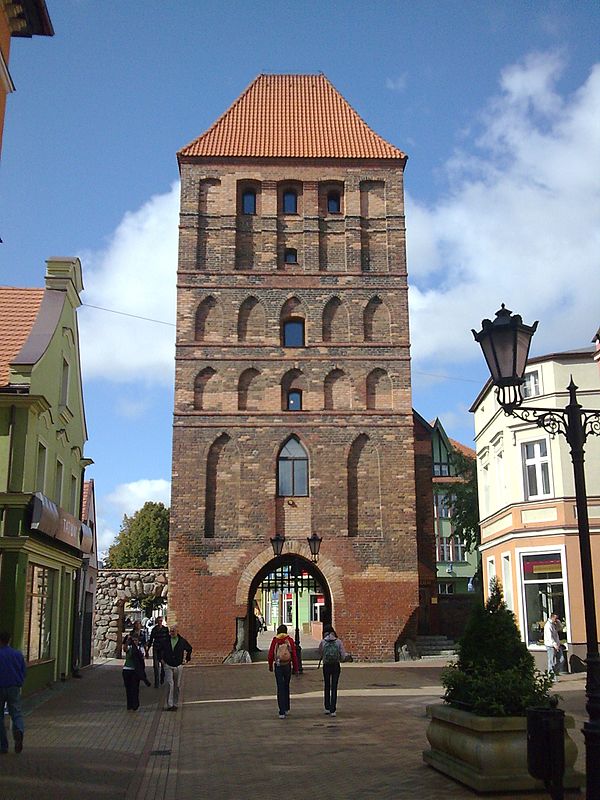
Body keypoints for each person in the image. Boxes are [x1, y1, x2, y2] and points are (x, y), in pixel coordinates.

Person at [0, 631, 26, 754]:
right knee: (16, 712)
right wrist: (19, 682)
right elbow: (23, 671)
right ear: (9, 640)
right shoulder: (17, 654)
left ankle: (3, 745)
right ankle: (19, 730)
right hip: (14, 687)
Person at [267, 624, 299, 719]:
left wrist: (270, 666)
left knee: (280, 687)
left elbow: (270, 654)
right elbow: (294, 655)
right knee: (286, 686)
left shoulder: (275, 640)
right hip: (287, 665)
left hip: (278, 666)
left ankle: (281, 711)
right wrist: (296, 668)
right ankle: (286, 707)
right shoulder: (289, 640)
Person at [160, 624, 192, 711]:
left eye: (173, 631)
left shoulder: (182, 641)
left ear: (177, 632)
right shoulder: (166, 640)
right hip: (168, 665)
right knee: (170, 684)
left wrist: (187, 659)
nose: (171, 633)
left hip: (178, 665)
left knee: (177, 685)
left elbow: (189, 649)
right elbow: (159, 649)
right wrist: (161, 660)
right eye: (170, 631)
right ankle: (169, 704)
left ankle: (175, 703)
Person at [318, 624, 347, 716]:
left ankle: (327, 707)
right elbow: (343, 654)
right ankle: (333, 709)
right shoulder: (338, 642)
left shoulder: (323, 641)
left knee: (327, 685)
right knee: (334, 686)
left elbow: (320, 652)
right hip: (335, 665)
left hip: (326, 665)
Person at [122, 632, 151, 710]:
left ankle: (135, 704)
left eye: (136, 640)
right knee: (128, 689)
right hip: (127, 669)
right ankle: (129, 705)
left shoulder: (139, 649)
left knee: (135, 688)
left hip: (135, 671)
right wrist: (127, 641)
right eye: (133, 640)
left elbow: (141, 659)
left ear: (138, 641)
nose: (134, 642)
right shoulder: (129, 647)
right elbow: (125, 649)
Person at [147, 616, 169, 688]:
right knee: (156, 667)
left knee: (163, 666)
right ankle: (156, 683)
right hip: (156, 649)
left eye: (161, 621)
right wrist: (147, 650)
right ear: (157, 621)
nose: (160, 622)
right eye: (159, 621)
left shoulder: (165, 629)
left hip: (163, 649)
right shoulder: (154, 629)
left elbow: (168, 640)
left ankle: (162, 677)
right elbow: (151, 640)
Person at [544, 612, 561, 680]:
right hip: (550, 645)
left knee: (561, 659)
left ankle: (554, 672)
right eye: (555, 618)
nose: (556, 620)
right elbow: (549, 637)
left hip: (557, 644)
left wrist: (558, 622)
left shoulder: (554, 624)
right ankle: (551, 676)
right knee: (551, 660)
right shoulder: (548, 625)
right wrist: (554, 645)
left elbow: (560, 628)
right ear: (552, 617)